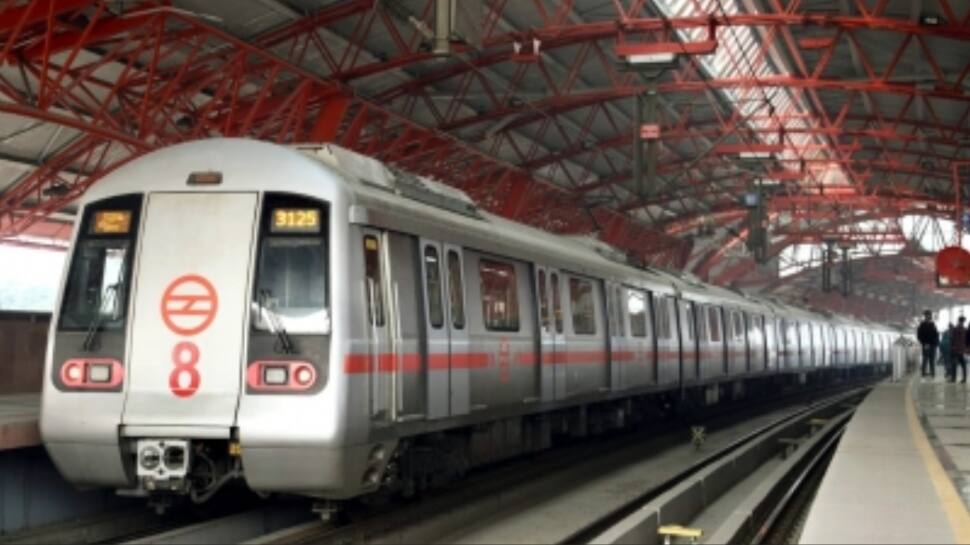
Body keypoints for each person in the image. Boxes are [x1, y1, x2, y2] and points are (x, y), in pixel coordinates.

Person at [918, 310, 940, 378]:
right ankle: (923, 373)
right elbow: (919, 336)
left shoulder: (932, 324)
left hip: (932, 345)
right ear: (925, 316)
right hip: (926, 345)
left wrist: (935, 343)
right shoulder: (922, 325)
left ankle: (932, 373)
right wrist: (924, 343)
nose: (928, 316)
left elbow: (936, 334)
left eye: (929, 315)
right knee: (925, 359)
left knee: (932, 360)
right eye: (927, 315)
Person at [952, 317, 967, 384]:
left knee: (956, 364)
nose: (962, 323)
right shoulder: (962, 329)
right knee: (961, 364)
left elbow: (954, 339)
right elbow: (955, 339)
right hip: (959, 349)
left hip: (957, 349)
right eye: (962, 321)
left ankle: (955, 378)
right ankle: (963, 378)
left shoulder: (957, 329)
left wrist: (954, 348)